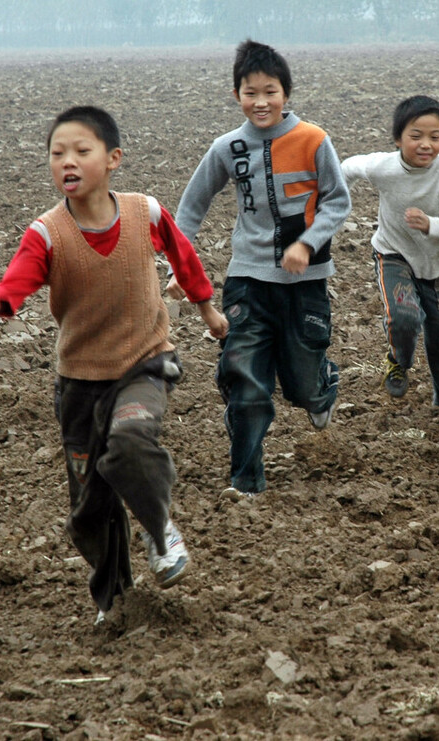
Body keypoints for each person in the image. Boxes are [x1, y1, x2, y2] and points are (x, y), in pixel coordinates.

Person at [0, 106, 229, 614]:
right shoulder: (47, 234)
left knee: (132, 440)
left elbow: (185, 258)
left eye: (81, 151)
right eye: (57, 154)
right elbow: (16, 284)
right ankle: (113, 602)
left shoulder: (146, 213)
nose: (67, 162)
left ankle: (161, 534)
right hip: (79, 384)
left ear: (113, 158)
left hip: (145, 363)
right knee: (90, 508)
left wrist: (207, 309)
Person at [171, 39, 351, 498]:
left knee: (302, 387)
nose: (261, 102)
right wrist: (180, 262)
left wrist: (307, 245)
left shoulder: (313, 140)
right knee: (246, 383)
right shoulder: (227, 147)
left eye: (270, 91)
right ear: (237, 95)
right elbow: (190, 209)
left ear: (285, 93)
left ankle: (322, 387)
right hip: (247, 281)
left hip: (304, 284)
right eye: (250, 92)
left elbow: (338, 200)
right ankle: (246, 482)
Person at [341, 95, 439, 414]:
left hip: (438, 266)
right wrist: (334, 207)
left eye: (435, 137)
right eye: (416, 136)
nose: (426, 144)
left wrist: (431, 225)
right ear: (398, 139)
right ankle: (398, 361)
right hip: (393, 254)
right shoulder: (384, 167)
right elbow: (346, 168)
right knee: (404, 315)